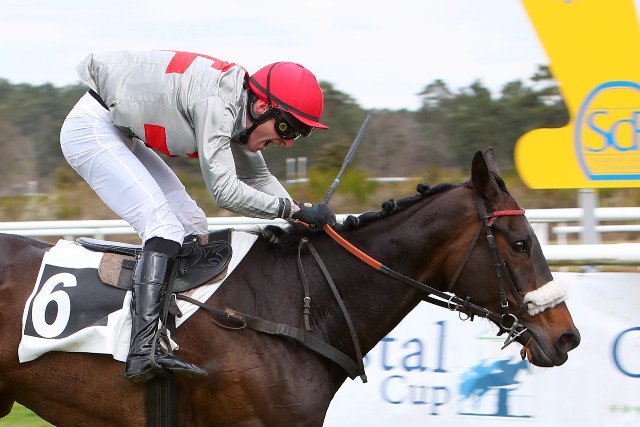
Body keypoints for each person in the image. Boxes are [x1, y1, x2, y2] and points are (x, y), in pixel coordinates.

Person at [59, 50, 336, 382]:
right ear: (262, 106)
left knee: (192, 224)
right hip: (92, 129)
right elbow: (225, 192)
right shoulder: (219, 107)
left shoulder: (241, 109)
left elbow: (258, 178)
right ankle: (142, 349)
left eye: (297, 134)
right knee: (163, 227)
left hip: (121, 132)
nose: (287, 143)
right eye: (286, 128)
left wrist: (301, 215)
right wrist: (290, 210)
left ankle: (176, 336)